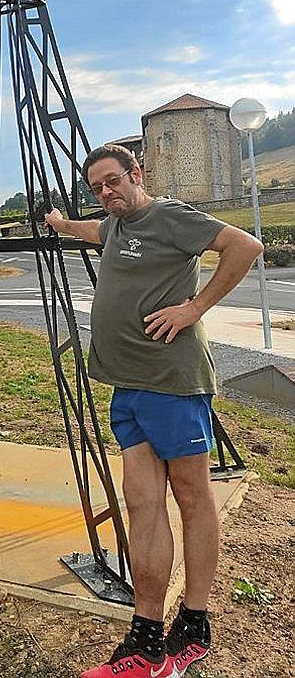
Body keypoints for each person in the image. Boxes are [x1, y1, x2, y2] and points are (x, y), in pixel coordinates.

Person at [44, 144, 262, 678]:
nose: (106, 193)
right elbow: (88, 232)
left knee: (191, 497)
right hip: (127, 385)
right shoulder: (114, 227)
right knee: (142, 504)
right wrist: (59, 222)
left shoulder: (168, 217)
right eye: (97, 188)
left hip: (172, 383)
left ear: (136, 174)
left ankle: (194, 622)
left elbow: (245, 245)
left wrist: (194, 307)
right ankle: (146, 642)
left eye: (113, 182)